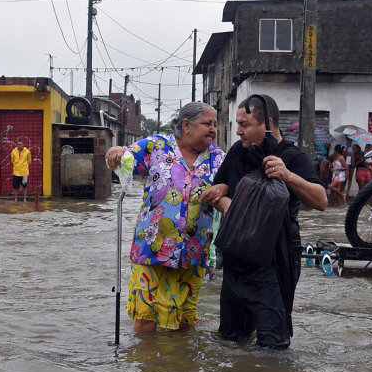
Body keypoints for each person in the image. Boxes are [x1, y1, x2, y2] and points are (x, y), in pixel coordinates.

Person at [200, 94, 327, 350]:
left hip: (273, 265)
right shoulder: (238, 152)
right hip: (236, 260)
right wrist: (230, 205)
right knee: (230, 342)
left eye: (244, 124)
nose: (238, 131)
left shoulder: (291, 157)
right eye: (238, 124)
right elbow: (217, 189)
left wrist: (288, 176)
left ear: (267, 123)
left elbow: (321, 200)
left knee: (273, 349)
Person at [105, 102, 224, 332]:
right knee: (146, 316)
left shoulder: (218, 159)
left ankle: (178, 366)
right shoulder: (156, 147)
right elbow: (127, 156)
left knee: (185, 319)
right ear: (186, 125)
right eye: (207, 123)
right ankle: (148, 364)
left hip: (193, 251)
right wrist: (116, 152)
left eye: (215, 125)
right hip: (152, 248)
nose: (213, 129)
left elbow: (235, 185)